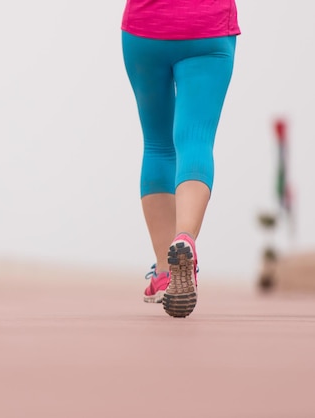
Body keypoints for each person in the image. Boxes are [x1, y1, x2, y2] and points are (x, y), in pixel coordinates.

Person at [121, 0, 240, 318]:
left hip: (145, 29)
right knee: (195, 142)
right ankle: (185, 238)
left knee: (158, 145)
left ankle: (163, 272)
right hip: (208, 27)